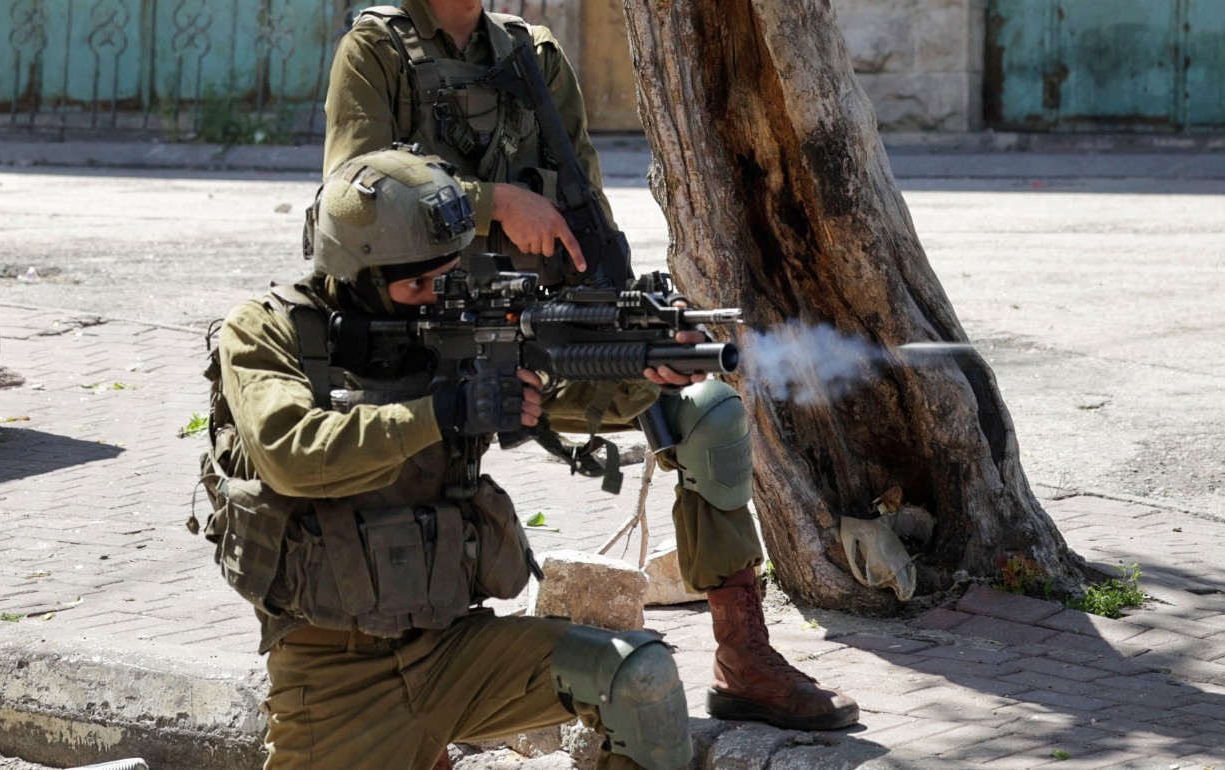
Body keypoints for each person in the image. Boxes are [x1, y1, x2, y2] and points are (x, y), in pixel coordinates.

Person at [321, 0, 859, 732]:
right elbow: (350, 195)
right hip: (424, 336)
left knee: (705, 410)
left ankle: (743, 656)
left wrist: (624, 327)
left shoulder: (531, 53)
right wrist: (490, 204)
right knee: (408, 473)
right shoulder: (375, 49)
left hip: (539, 331)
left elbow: (580, 202)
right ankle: (415, 693)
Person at [201, 148, 692, 770]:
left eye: (449, 274)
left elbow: (567, 399)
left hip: (459, 651)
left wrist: (644, 369)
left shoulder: (456, 323)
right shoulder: (268, 332)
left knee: (639, 677)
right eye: (418, 285)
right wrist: (444, 412)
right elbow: (293, 452)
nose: (440, 297)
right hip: (335, 678)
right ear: (356, 274)